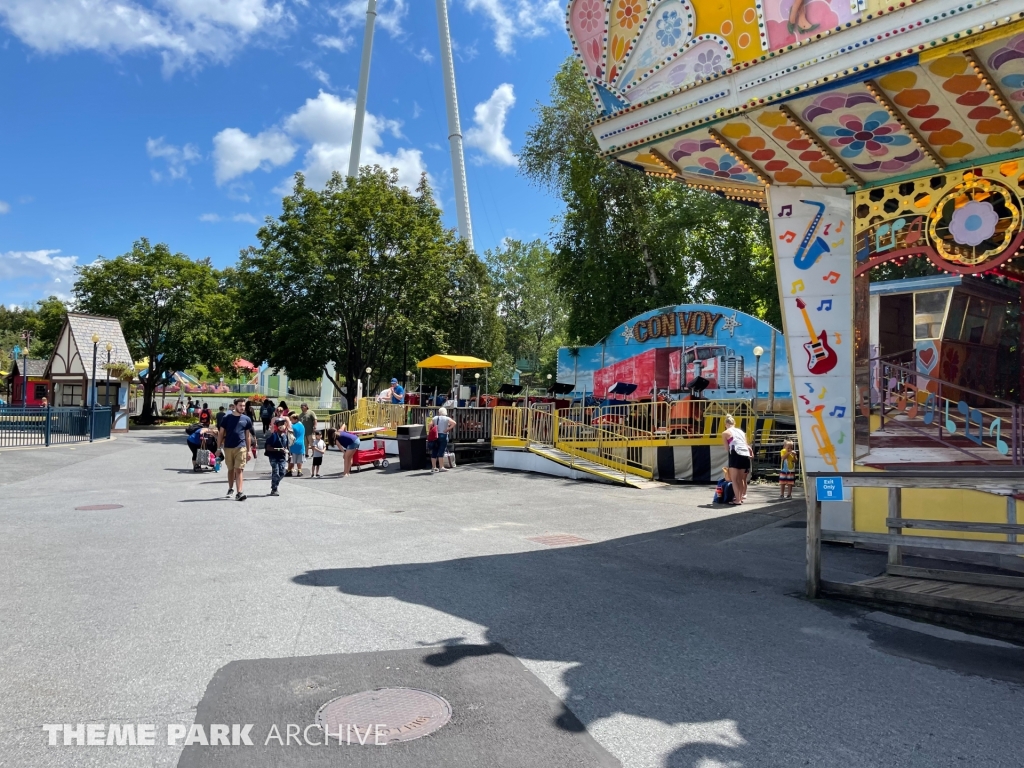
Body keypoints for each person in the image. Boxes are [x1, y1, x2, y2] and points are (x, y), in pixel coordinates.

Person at [218, 398, 256, 501]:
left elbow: (247, 436)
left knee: (239, 469)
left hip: (241, 447)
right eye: (240, 405)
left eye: (244, 406)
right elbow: (221, 433)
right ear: (235, 406)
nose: (242, 407)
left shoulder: (246, 419)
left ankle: (239, 492)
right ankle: (230, 488)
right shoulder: (227, 418)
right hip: (228, 447)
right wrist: (218, 448)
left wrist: (249, 450)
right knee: (231, 470)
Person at [722, 415, 751, 505]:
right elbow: (746, 444)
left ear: (726, 424)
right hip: (745, 454)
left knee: (734, 480)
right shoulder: (741, 432)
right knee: (741, 479)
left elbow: (727, 448)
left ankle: (737, 500)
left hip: (735, 454)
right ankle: (741, 497)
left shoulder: (725, 433)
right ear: (734, 423)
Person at [263, 417, 291, 495]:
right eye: (280, 424)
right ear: (276, 426)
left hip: (282, 457)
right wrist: (279, 449)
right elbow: (268, 448)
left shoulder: (285, 436)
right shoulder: (273, 436)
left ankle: (275, 483)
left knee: (282, 472)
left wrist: (289, 455)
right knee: (276, 472)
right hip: (273, 457)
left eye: (283, 424)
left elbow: (287, 446)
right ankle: (274, 489)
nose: (282, 426)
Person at [429, 406, 456, 473]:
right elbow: (454, 423)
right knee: (441, 451)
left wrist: (432, 430)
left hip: (436, 435)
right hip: (443, 435)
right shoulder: (447, 418)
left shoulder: (435, 418)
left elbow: (429, 425)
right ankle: (441, 467)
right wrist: (447, 429)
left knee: (434, 450)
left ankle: (433, 467)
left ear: (439, 412)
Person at [287, 412, 306, 477]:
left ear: (296, 419)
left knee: (292, 459)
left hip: (294, 444)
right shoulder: (302, 426)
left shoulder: (293, 426)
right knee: (299, 460)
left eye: (291, 419)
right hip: (301, 444)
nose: (291, 421)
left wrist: (287, 429)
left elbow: (291, 433)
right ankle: (299, 471)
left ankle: (289, 471)